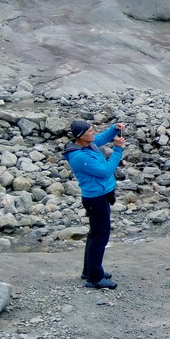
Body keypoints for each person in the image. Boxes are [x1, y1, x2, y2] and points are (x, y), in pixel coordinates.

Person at [63, 120, 126, 289]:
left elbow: (101, 138)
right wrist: (118, 149)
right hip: (95, 199)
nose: (93, 133)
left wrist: (114, 129)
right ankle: (95, 277)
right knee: (100, 236)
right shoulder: (80, 157)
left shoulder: (87, 144)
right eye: (90, 131)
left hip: (100, 195)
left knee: (95, 234)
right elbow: (106, 170)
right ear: (81, 136)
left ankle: (90, 270)